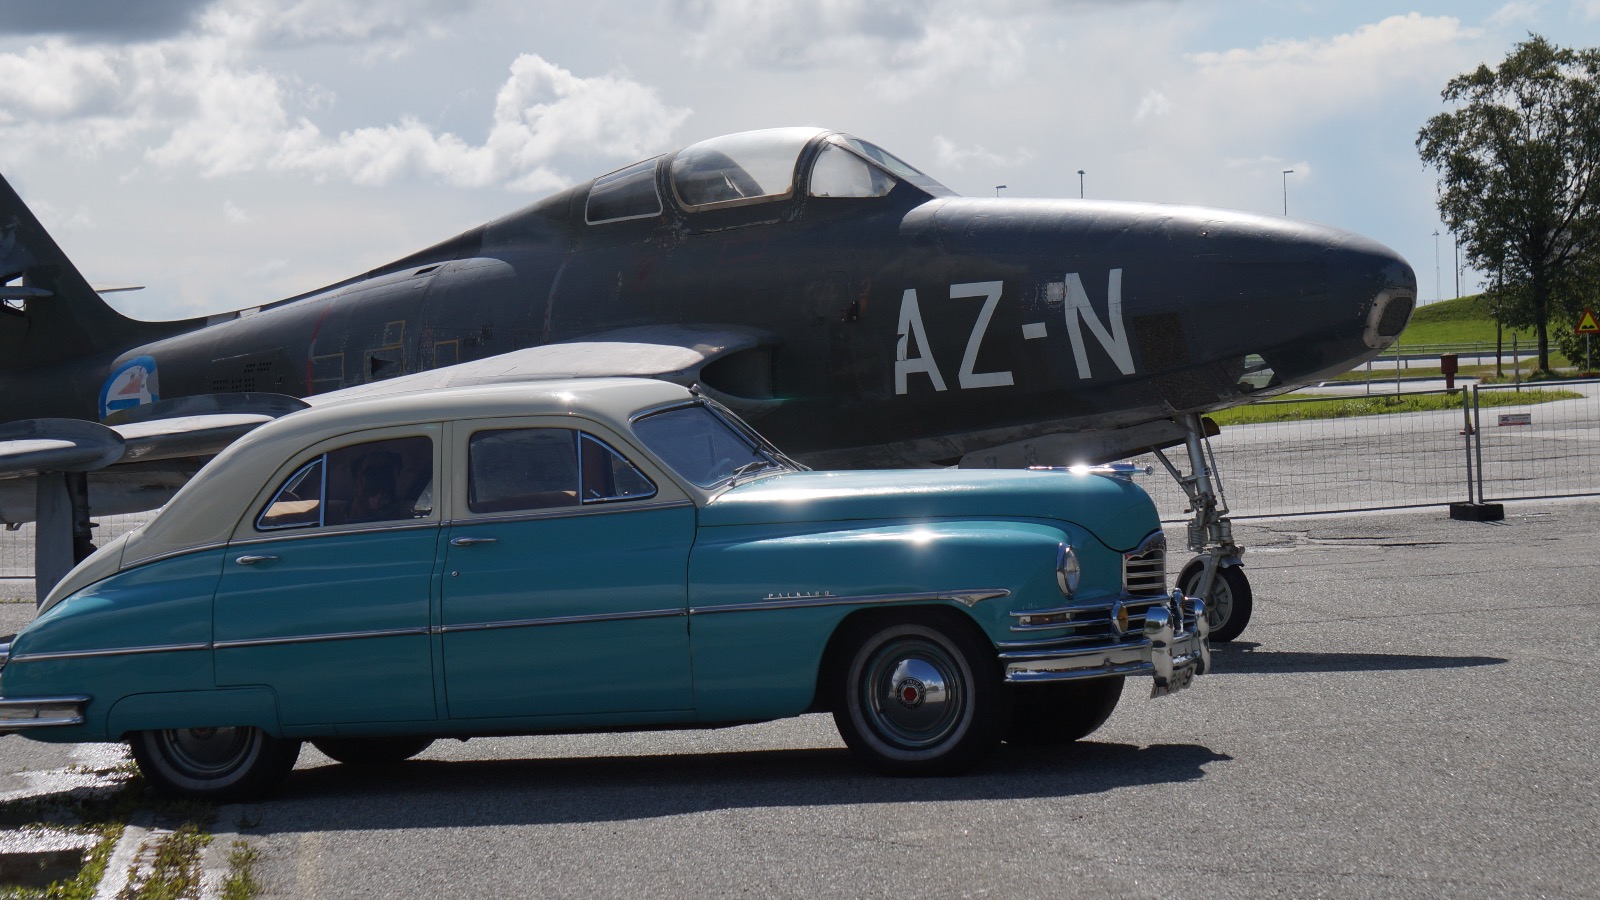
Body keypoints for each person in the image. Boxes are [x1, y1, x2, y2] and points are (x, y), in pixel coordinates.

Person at [344, 450, 410, 523]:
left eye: (387, 470)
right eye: (370, 472)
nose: (379, 476)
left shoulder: (405, 509)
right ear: (357, 476)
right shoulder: (355, 509)